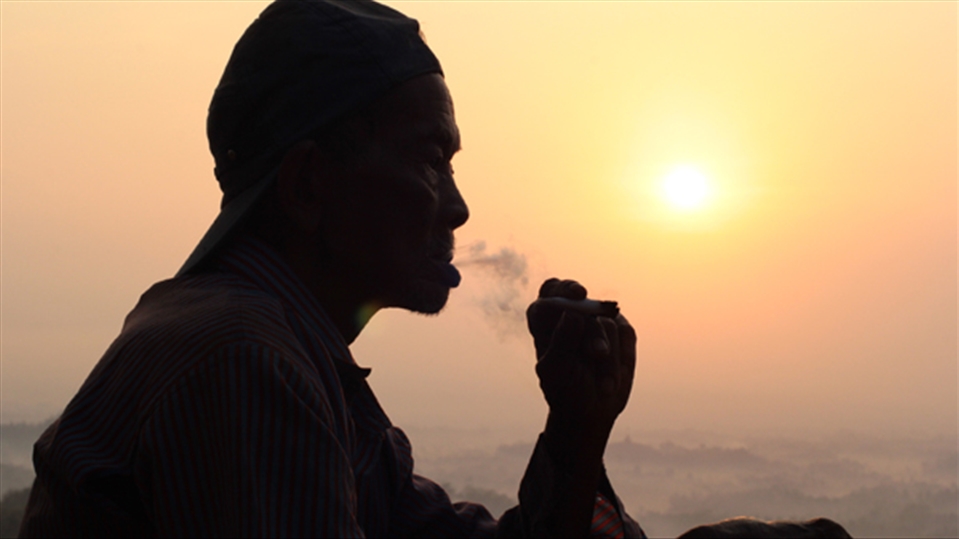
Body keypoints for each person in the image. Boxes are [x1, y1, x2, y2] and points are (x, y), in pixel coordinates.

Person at [18, 1, 643, 537]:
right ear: (309, 184)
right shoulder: (243, 364)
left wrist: (576, 427)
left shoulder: (288, 356)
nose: (457, 207)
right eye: (431, 160)